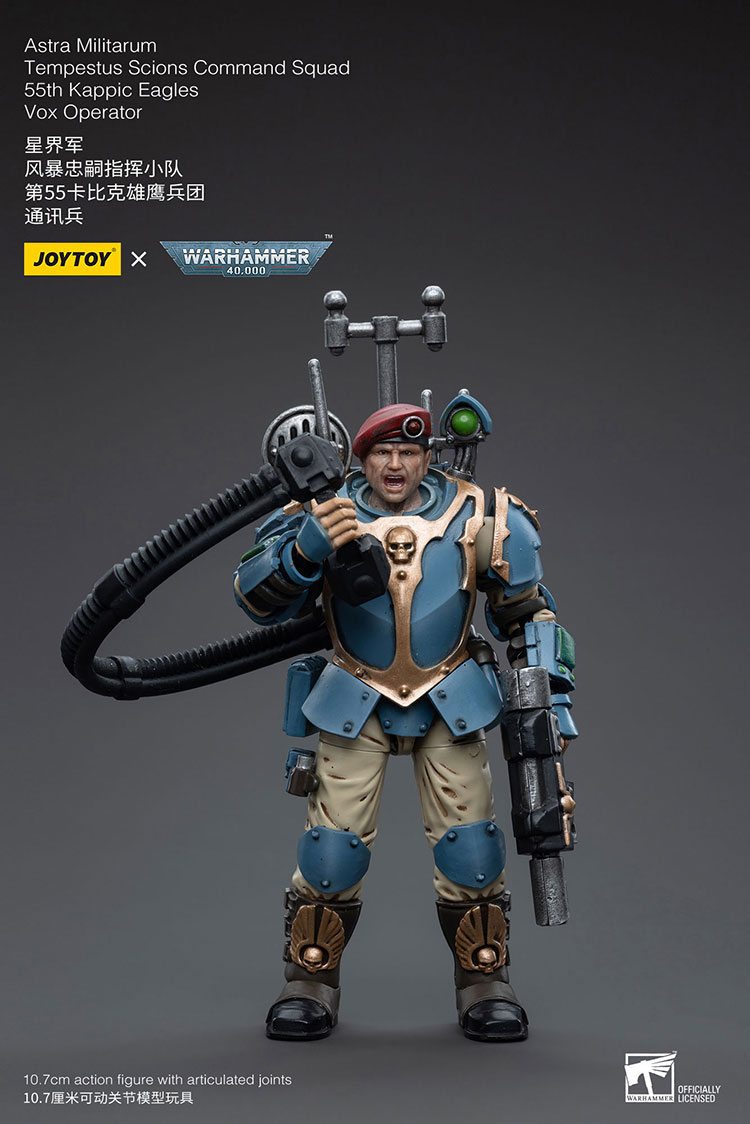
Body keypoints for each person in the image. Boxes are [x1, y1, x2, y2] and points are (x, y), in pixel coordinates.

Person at [233, 402, 577, 1042]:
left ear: (430, 454)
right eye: (382, 452)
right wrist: (306, 549)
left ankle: (484, 979)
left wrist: (549, 700)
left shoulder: (480, 514)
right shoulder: (323, 511)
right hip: (353, 698)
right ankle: (309, 979)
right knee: (330, 851)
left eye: (409, 452)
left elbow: (528, 612)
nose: (395, 465)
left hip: (451, 698)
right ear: (359, 458)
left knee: (472, 848)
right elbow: (256, 600)